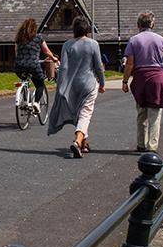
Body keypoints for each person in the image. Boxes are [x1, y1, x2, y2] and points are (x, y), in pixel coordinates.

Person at [47, 16, 106, 158]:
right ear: (87, 29)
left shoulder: (67, 45)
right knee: (85, 113)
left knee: (78, 113)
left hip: (72, 85)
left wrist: (61, 86)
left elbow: (64, 68)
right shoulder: (93, 44)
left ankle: (84, 143)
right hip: (88, 84)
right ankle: (78, 141)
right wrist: (102, 83)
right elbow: (98, 67)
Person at [121, 11, 163, 152]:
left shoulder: (133, 40)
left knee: (141, 113)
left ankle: (141, 143)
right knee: (154, 114)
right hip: (157, 77)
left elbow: (129, 64)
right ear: (152, 24)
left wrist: (125, 81)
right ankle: (152, 146)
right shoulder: (161, 40)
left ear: (138, 25)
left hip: (140, 77)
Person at [13, 18, 59, 113]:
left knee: (24, 81)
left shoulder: (19, 38)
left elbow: (16, 52)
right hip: (33, 65)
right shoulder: (38, 37)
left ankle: (25, 101)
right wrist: (54, 58)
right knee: (40, 85)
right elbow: (46, 51)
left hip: (19, 66)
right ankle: (36, 103)